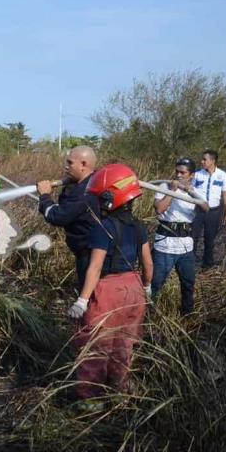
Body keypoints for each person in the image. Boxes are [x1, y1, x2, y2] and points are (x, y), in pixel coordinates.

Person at [67, 164, 153, 401]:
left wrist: (82, 300)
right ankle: (118, 392)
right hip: (134, 288)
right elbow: (148, 263)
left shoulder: (102, 228)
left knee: (96, 346)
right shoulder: (139, 226)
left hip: (109, 291)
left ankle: (90, 401)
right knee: (124, 345)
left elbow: (94, 267)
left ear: (108, 198)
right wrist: (146, 287)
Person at [36, 146, 101, 291]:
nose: (66, 166)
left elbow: (58, 216)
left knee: (90, 299)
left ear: (83, 165)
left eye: (70, 163)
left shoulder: (84, 192)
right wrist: (68, 184)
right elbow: (67, 205)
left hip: (89, 256)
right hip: (88, 253)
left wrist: (45, 196)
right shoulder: (93, 182)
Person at [151, 158, 209, 315]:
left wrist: (189, 190)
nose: (178, 175)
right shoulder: (165, 186)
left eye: (182, 172)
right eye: (176, 171)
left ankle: (187, 315)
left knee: (188, 283)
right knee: (155, 283)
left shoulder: (197, 190)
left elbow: (205, 208)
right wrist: (173, 191)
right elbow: (159, 209)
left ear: (191, 175)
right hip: (165, 245)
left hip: (185, 247)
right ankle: (148, 316)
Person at [191, 149, 226, 268]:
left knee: (210, 238)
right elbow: (190, 191)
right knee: (193, 237)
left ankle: (207, 265)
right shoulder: (197, 174)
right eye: (202, 159)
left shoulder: (222, 175)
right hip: (197, 211)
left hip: (213, 212)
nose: (202, 161)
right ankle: (189, 263)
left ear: (212, 161)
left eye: (205, 159)